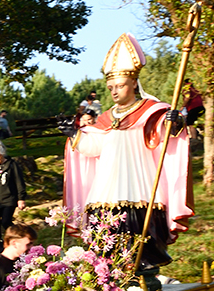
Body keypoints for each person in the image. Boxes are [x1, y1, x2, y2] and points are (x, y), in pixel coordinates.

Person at [60, 33, 193, 273]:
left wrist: (173, 122)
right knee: (106, 243)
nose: (114, 91)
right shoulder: (106, 117)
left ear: (134, 84)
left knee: (142, 238)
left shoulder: (152, 110)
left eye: (119, 86)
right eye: (110, 87)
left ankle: (144, 272)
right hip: (106, 187)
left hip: (140, 183)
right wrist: (74, 134)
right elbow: (94, 147)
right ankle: (108, 274)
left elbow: (163, 135)